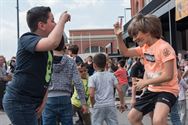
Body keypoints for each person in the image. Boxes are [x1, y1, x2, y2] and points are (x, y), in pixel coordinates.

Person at [2, 6, 70, 125]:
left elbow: (46, 78)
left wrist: (43, 102)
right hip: (19, 101)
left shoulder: (47, 50)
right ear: (41, 25)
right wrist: (62, 21)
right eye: (52, 20)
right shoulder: (27, 38)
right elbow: (52, 42)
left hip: (33, 102)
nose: (55, 24)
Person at [114, 14, 179, 125]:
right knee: (132, 117)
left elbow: (169, 75)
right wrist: (119, 36)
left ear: (148, 31)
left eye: (136, 35)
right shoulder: (144, 48)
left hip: (168, 90)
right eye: (132, 36)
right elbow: (124, 52)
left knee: (158, 121)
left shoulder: (164, 48)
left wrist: (146, 82)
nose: (134, 39)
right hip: (152, 90)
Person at [42, 42, 88, 125]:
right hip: (65, 98)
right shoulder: (71, 62)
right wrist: (83, 103)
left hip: (48, 98)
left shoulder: (45, 61)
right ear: (64, 47)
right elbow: (78, 83)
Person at [88, 53, 126, 125]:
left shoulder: (92, 78)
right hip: (110, 105)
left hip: (98, 105)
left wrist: (93, 105)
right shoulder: (111, 75)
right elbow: (120, 90)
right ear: (106, 64)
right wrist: (122, 103)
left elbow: (92, 95)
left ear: (94, 65)